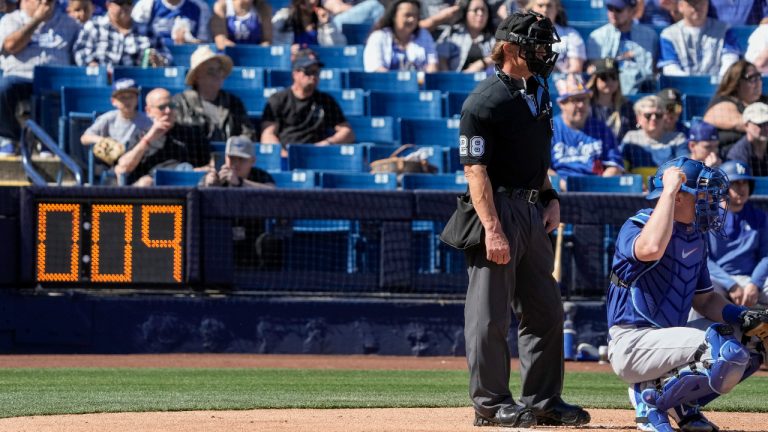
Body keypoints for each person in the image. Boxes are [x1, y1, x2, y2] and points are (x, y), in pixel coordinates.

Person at [457, 10, 589, 428]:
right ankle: (491, 404)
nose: (545, 53)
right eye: (537, 46)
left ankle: (543, 400)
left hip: (532, 210)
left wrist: (549, 196)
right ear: (511, 49)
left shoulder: (540, 90)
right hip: (496, 209)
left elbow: (536, 155)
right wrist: (493, 230)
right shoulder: (483, 101)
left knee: (546, 310)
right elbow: (474, 170)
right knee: (490, 315)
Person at [606, 156, 766, 432]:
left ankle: (682, 405)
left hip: (672, 341)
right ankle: (650, 401)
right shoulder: (637, 224)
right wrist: (669, 189)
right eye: (702, 195)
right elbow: (651, 248)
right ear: (678, 197)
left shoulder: (695, 236)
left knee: (753, 345)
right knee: (723, 349)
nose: (711, 203)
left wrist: (744, 316)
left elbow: (705, 300)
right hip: (632, 343)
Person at [0, 0, 81, 155]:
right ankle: (11, 137)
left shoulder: (70, 23)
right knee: (2, 87)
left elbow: (80, 56)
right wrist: (36, 20)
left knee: (71, 89)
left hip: (55, 80)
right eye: (41, 0)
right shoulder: (11, 19)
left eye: (49, 1)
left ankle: (49, 141)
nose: (46, 4)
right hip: (20, 76)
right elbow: (11, 46)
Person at [261, 50, 355, 156]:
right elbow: (268, 134)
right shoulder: (278, 99)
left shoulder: (326, 101)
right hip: (287, 154)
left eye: (316, 72)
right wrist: (283, 154)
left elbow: (347, 132)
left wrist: (328, 142)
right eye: (308, 71)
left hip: (316, 156)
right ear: (295, 73)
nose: (313, 76)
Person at [115, 87, 209, 186]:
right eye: (162, 107)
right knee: (145, 183)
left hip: (188, 182)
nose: (168, 111)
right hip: (155, 189)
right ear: (149, 111)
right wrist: (148, 139)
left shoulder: (191, 133)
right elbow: (124, 167)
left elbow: (209, 163)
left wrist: (202, 170)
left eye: (171, 106)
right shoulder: (141, 135)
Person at [707, 160, 768, 307]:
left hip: (750, 280)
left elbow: (766, 255)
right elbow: (703, 259)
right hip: (719, 279)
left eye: (745, 183)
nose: (742, 189)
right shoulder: (708, 216)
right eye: (735, 183)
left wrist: (755, 283)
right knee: (702, 290)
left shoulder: (759, 216)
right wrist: (730, 285)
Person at [550, 73, 623, 184]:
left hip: (594, 191)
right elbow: (542, 169)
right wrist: (561, 185)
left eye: (583, 99)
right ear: (562, 103)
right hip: (561, 191)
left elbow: (615, 167)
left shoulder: (601, 128)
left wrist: (599, 186)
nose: (581, 105)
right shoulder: (550, 129)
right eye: (575, 100)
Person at [172, 46, 256, 142]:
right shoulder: (181, 103)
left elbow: (248, 134)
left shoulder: (234, 103)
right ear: (197, 76)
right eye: (211, 71)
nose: (217, 75)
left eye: (219, 70)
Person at [80, 78, 152, 179]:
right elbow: (84, 138)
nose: (127, 101)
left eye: (131, 97)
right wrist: (102, 140)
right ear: (113, 101)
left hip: (139, 161)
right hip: (112, 163)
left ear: (137, 99)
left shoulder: (146, 120)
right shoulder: (108, 118)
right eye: (122, 97)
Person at [586, 0, 658, 95]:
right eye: (610, 9)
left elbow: (652, 72)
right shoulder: (597, 37)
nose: (613, 13)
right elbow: (595, 72)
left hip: (641, 92)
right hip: (609, 93)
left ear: (632, 11)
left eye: (618, 9)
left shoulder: (649, 36)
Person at [73, 0, 171, 68]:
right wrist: (90, 64)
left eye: (128, 2)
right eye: (120, 3)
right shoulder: (93, 26)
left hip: (137, 86)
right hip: (103, 83)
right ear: (108, 5)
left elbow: (167, 56)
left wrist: (160, 60)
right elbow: (80, 51)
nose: (125, 7)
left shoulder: (147, 29)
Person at [657, 0, 740, 77]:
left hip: (718, 88)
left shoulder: (724, 30)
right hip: (682, 89)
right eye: (692, 3)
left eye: (700, 2)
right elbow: (670, 69)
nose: (696, 7)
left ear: (707, 4)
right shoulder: (668, 35)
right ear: (680, 6)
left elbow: (730, 62)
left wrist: (719, 84)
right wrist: (694, 84)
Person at [703, 60, 763, 153]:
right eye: (751, 78)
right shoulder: (723, 102)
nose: (758, 83)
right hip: (730, 160)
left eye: (758, 77)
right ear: (737, 83)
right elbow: (741, 123)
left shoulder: (764, 101)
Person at [621, 95, 687, 176]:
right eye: (648, 115)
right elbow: (621, 168)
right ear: (638, 119)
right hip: (638, 188)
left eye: (658, 115)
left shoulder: (678, 139)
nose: (653, 118)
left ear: (664, 117)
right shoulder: (631, 138)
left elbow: (685, 169)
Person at [363, 0, 439, 72]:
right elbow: (375, 68)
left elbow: (432, 64)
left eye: (415, 15)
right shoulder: (378, 36)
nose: (412, 19)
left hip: (418, 84)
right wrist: (400, 82)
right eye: (407, 15)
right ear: (394, 16)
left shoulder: (423, 34)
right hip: (386, 84)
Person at [526, 0, 584, 74]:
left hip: (562, 82)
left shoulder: (571, 35)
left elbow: (575, 68)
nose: (545, 10)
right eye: (540, 5)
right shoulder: (522, 34)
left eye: (549, 6)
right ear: (532, 8)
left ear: (557, 9)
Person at [436, 0, 495, 72]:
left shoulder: (494, 37)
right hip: (457, 80)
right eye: (475, 10)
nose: (480, 13)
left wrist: (481, 63)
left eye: (483, 10)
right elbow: (440, 58)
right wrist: (450, 79)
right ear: (465, 12)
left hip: (486, 81)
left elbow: (500, 56)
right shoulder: (452, 33)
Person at [586, 58, 635, 142]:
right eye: (604, 77)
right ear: (595, 80)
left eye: (613, 77)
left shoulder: (627, 107)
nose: (609, 81)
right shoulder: (586, 106)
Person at [202, 136, 275, 189]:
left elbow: (273, 191)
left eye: (241, 159)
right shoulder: (217, 174)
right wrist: (207, 186)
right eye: (232, 158)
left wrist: (240, 183)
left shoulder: (259, 175)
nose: (236, 163)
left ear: (252, 161)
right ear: (225, 158)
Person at [131, 0, 211, 44]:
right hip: (154, 58)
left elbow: (205, 43)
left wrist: (188, 41)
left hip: (187, 59)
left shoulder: (199, 7)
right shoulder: (146, 5)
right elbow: (135, 40)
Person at [271, 0, 346, 46]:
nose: (314, 1)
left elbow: (337, 47)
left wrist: (327, 24)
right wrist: (287, 51)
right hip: (293, 64)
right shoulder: (284, 17)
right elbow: (272, 42)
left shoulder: (325, 18)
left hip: (317, 64)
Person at [726, 102, 768, 176]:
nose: (766, 128)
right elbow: (741, 185)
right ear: (746, 125)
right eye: (760, 124)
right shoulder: (737, 154)